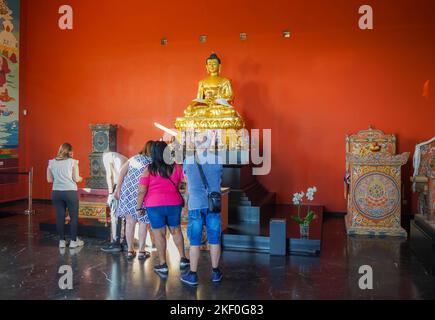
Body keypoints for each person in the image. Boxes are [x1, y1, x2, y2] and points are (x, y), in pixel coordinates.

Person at [136, 141, 189, 276]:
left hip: (154, 205)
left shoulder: (149, 169)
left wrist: (138, 207)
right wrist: (187, 201)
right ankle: (183, 259)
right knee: (176, 231)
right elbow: (187, 182)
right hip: (174, 203)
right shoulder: (176, 167)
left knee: (159, 234)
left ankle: (163, 264)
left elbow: (142, 190)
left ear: (153, 153)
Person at [180, 132, 223, 286]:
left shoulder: (187, 161)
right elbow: (219, 180)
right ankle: (216, 272)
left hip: (195, 205)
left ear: (195, 144)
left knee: (194, 242)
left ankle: (192, 274)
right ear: (209, 143)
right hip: (213, 206)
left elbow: (188, 186)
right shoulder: (218, 160)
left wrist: (186, 202)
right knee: (214, 239)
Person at [113, 141, 154, 260]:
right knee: (143, 223)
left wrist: (118, 187)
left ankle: (130, 251)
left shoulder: (133, 158)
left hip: (128, 192)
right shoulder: (152, 162)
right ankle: (141, 251)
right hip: (143, 193)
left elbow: (121, 172)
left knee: (130, 222)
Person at [47, 143, 84, 249]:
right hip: (70, 192)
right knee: (73, 217)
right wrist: (80, 178)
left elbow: (49, 180)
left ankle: (62, 241)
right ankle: (73, 242)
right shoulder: (73, 162)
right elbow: (76, 178)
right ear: (70, 151)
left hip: (56, 192)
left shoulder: (51, 162)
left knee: (60, 217)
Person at [101, 151, 128, 253]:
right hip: (127, 186)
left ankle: (116, 243)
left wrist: (110, 193)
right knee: (125, 215)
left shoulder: (106, 156)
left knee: (115, 214)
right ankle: (125, 243)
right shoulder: (123, 157)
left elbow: (109, 175)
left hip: (118, 186)